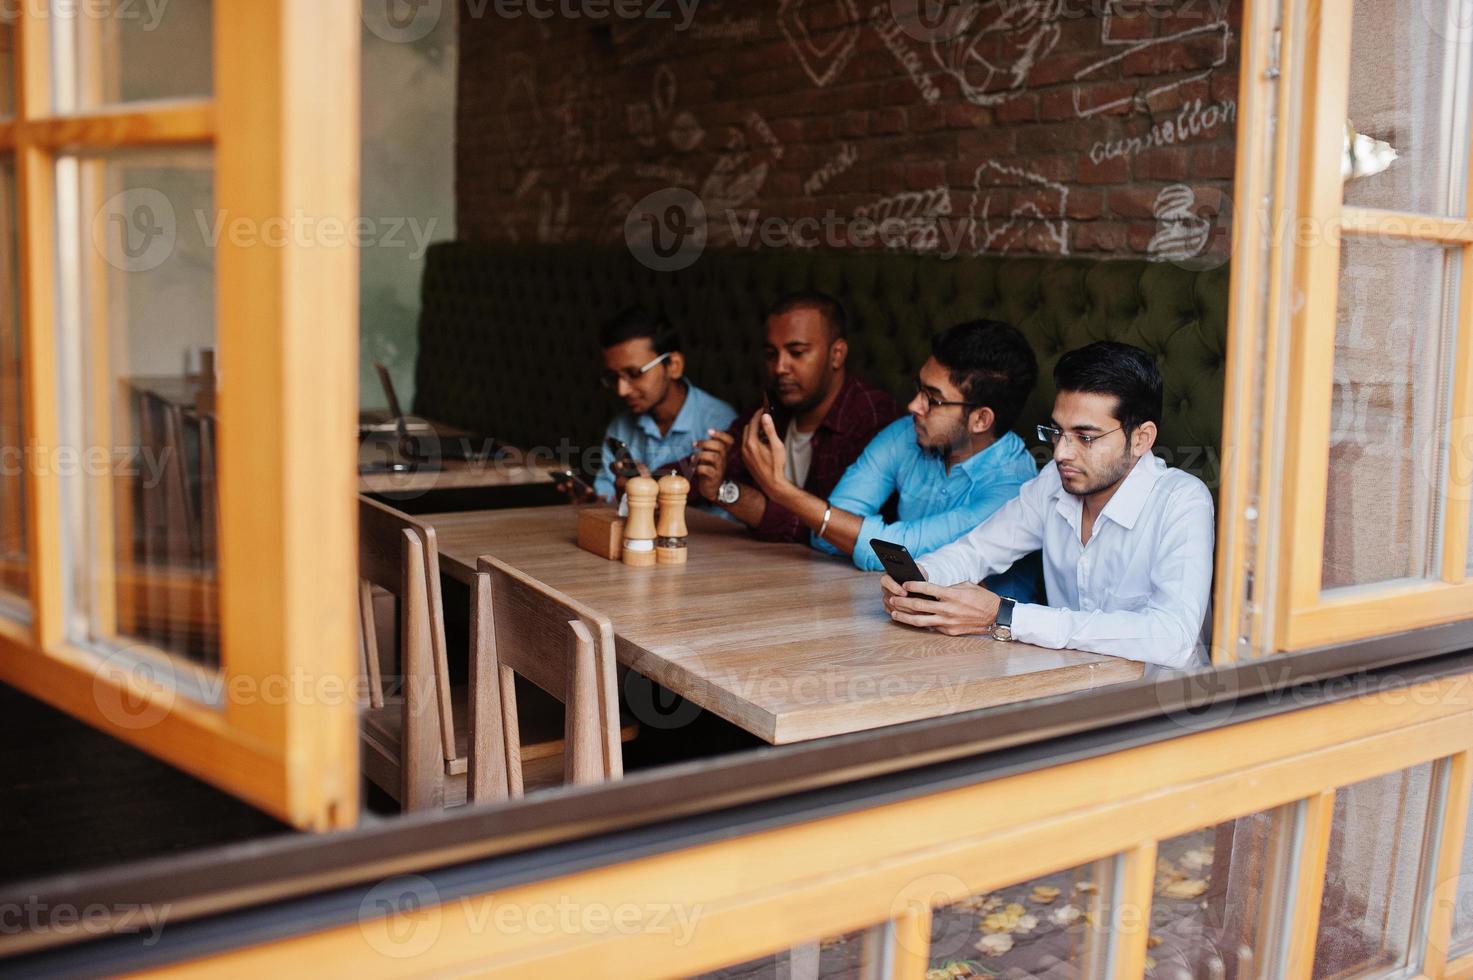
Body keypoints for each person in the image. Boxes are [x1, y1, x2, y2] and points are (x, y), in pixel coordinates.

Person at [881, 341, 1215, 672]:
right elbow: (975, 551)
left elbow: (1173, 637)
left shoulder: (1182, 501)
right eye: (1057, 431)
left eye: (1085, 437)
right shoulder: (1053, 484)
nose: (1060, 453)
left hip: (1161, 710)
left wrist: (1006, 616)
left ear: (1141, 438)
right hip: (1063, 689)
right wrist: (920, 579)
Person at [737, 319, 1043, 601]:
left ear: (981, 419)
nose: (913, 405)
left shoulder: (1012, 487)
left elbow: (900, 553)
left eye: (932, 399)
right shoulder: (907, 434)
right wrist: (841, 530)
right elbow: (828, 538)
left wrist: (781, 491)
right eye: (918, 389)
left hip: (995, 643)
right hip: (904, 612)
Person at [691, 292, 900, 541]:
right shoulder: (775, 406)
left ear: (837, 354)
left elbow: (827, 531)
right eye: (771, 354)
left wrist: (729, 492)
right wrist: (647, 477)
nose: (780, 367)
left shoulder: (870, 417)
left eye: (797, 353)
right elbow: (705, 471)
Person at [576, 307, 737, 502]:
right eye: (613, 377)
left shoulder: (720, 423)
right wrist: (594, 503)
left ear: (674, 365)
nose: (622, 390)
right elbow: (606, 496)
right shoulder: (619, 428)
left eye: (635, 374)